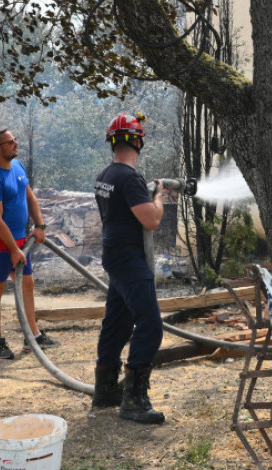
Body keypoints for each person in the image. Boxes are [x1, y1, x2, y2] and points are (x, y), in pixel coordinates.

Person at [92, 112, 168, 424]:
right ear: (138, 141)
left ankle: (105, 389)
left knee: (118, 323)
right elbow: (151, 219)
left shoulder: (104, 176)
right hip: (129, 258)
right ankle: (134, 400)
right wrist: (159, 197)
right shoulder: (129, 178)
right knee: (150, 324)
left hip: (114, 254)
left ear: (112, 142)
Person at [0, 128, 59, 359]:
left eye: (14, 140)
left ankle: (32, 336)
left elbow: (30, 198)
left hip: (21, 240)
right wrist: (13, 249)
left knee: (27, 285)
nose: (16, 143)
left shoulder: (18, 167)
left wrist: (40, 225)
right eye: (10, 141)